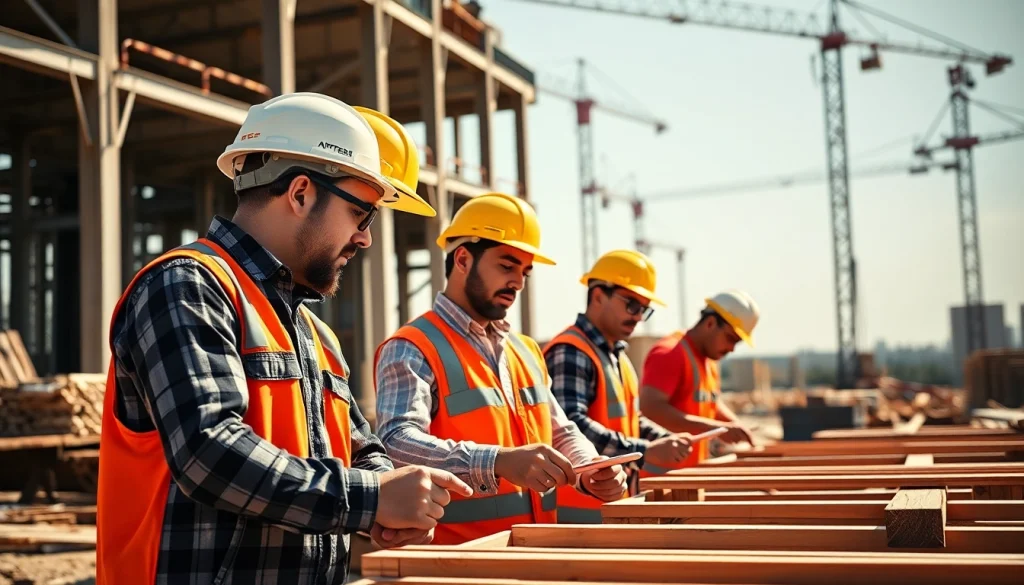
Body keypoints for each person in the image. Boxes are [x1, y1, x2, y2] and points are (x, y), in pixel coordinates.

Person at [96, 93, 471, 585]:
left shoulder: (315, 334)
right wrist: (371, 499)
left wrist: (386, 486)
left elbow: (359, 445)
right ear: (300, 193)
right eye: (363, 215)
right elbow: (209, 451)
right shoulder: (187, 285)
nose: (366, 239)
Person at [374, 192, 628, 545]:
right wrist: (496, 461)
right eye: (507, 266)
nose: (519, 282)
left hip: (535, 553)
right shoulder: (413, 346)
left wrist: (590, 468)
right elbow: (396, 443)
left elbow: (559, 430)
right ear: (462, 259)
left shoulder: (525, 350)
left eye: (525, 271)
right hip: (455, 564)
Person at [543, 250, 693, 522]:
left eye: (644, 310)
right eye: (632, 305)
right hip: (581, 516)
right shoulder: (571, 351)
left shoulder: (618, 356)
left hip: (615, 508)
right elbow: (570, 424)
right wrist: (646, 450)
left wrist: (662, 438)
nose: (638, 317)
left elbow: (629, 420)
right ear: (598, 295)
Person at [639, 290, 761, 469]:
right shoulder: (670, 353)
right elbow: (651, 408)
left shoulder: (708, 360)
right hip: (661, 481)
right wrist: (715, 429)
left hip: (690, 475)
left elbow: (710, 402)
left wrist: (734, 425)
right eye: (730, 338)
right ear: (711, 323)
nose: (731, 349)